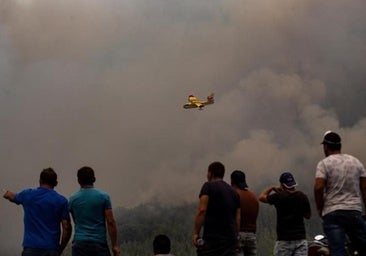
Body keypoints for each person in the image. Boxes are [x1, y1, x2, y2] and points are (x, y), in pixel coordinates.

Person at [314, 131, 366, 256]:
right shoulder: (356, 162)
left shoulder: (324, 164)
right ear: (339, 145)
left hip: (333, 213)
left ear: (325, 146)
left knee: (337, 250)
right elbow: (364, 188)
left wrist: (320, 208)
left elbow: (318, 188)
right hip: (354, 211)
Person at [3, 168, 72, 256]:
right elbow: (66, 227)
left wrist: (5, 192)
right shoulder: (61, 201)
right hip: (51, 249)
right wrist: (60, 248)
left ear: (40, 181)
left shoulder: (27, 195)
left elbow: (12, 196)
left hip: (31, 248)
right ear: (56, 183)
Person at [68, 166, 120, 256]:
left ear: (78, 181)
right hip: (99, 244)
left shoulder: (72, 199)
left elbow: (76, 220)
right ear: (94, 179)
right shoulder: (104, 197)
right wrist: (114, 245)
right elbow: (110, 222)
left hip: (79, 244)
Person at [193, 161, 240, 256]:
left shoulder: (208, 186)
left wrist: (196, 233)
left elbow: (202, 211)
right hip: (230, 240)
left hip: (213, 240)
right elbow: (237, 219)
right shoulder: (234, 192)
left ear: (211, 173)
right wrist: (236, 236)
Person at [259, 172, 311, 256]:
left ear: (282, 185)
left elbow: (261, 197)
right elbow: (308, 216)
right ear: (294, 183)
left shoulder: (279, 196)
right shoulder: (302, 196)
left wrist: (272, 188)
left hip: (284, 240)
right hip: (300, 239)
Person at [230, 170, 259, 256]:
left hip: (238, 234)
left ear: (232, 181)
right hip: (251, 236)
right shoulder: (253, 197)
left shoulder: (233, 195)